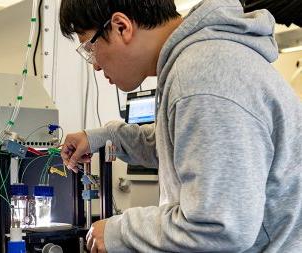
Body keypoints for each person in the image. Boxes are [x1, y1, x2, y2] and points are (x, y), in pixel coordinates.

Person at [59, 0, 302, 252]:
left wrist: (119, 231)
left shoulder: (202, 77)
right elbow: (177, 143)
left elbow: (220, 228)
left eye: (89, 47)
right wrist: (106, 136)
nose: (95, 65)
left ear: (121, 27)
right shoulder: (200, 61)